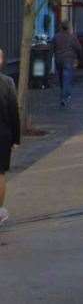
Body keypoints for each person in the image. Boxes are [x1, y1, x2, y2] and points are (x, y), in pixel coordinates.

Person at [0, 48, 21, 226]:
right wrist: (16, 138)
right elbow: (13, 112)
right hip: (3, 135)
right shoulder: (7, 82)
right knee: (0, 174)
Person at [51, 21, 82, 107]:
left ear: (61, 27)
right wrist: (79, 58)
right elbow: (78, 48)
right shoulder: (72, 37)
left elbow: (52, 48)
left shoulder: (56, 37)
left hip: (59, 60)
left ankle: (63, 94)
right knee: (67, 78)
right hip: (69, 60)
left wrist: (51, 59)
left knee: (61, 78)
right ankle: (65, 96)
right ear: (68, 27)